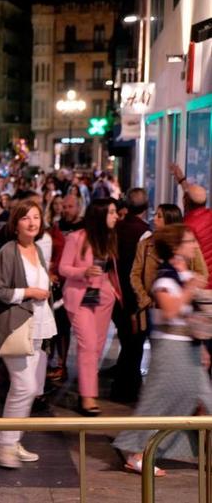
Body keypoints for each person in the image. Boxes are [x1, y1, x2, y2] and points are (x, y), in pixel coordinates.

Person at [113, 224, 212, 476]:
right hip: (171, 350)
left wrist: (200, 347)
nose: (194, 245)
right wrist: (191, 289)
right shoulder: (165, 277)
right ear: (176, 247)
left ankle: (144, 450)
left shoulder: (182, 275)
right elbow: (169, 311)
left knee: (199, 399)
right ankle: (136, 452)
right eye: (189, 241)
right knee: (159, 401)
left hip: (188, 348)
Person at [0, 199, 56, 468]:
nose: (32, 223)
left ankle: (12, 440)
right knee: (23, 386)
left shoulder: (38, 250)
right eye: (26, 218)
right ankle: (4, 445)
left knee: (31, 389)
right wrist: (29, 292)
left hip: (39, 325)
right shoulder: (8, 251)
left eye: (36, 218)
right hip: (16, 326)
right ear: (15, 224)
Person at [59, 198, 121, 416]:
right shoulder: (76, 238)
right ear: (100, 214)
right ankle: (87, 397)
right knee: (88, 344)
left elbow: (112, 270)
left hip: (103, 297)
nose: (116, 216)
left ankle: (87, 391)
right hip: (80, 295)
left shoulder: (110, 238)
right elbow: (63, 268)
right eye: (112, 212)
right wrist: (82, 272)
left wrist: (112, 290)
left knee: (97, 346)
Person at [131, 204, 208, 336]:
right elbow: (135, 274)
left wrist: (192, 287)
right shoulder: (146, 245)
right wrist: (145, 300)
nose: (154, 219)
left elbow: (202, 273)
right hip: (155, 310)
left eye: (159, 216)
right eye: (155, 215)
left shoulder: (187, 247)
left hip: (185, 320)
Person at [111, 188, 151, 402]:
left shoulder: (116, 228)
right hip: (134, 297)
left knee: (129, 343)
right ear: (146, 207)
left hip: (117, 295)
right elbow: (142, 270)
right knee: (134, 346)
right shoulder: (145, 233)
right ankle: (126, 390)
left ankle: (123, 386)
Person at [172, 164, 212, 289]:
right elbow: (193, 198)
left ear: (184, 201)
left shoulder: (185, 227)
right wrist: (182, 181)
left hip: (200, 285)